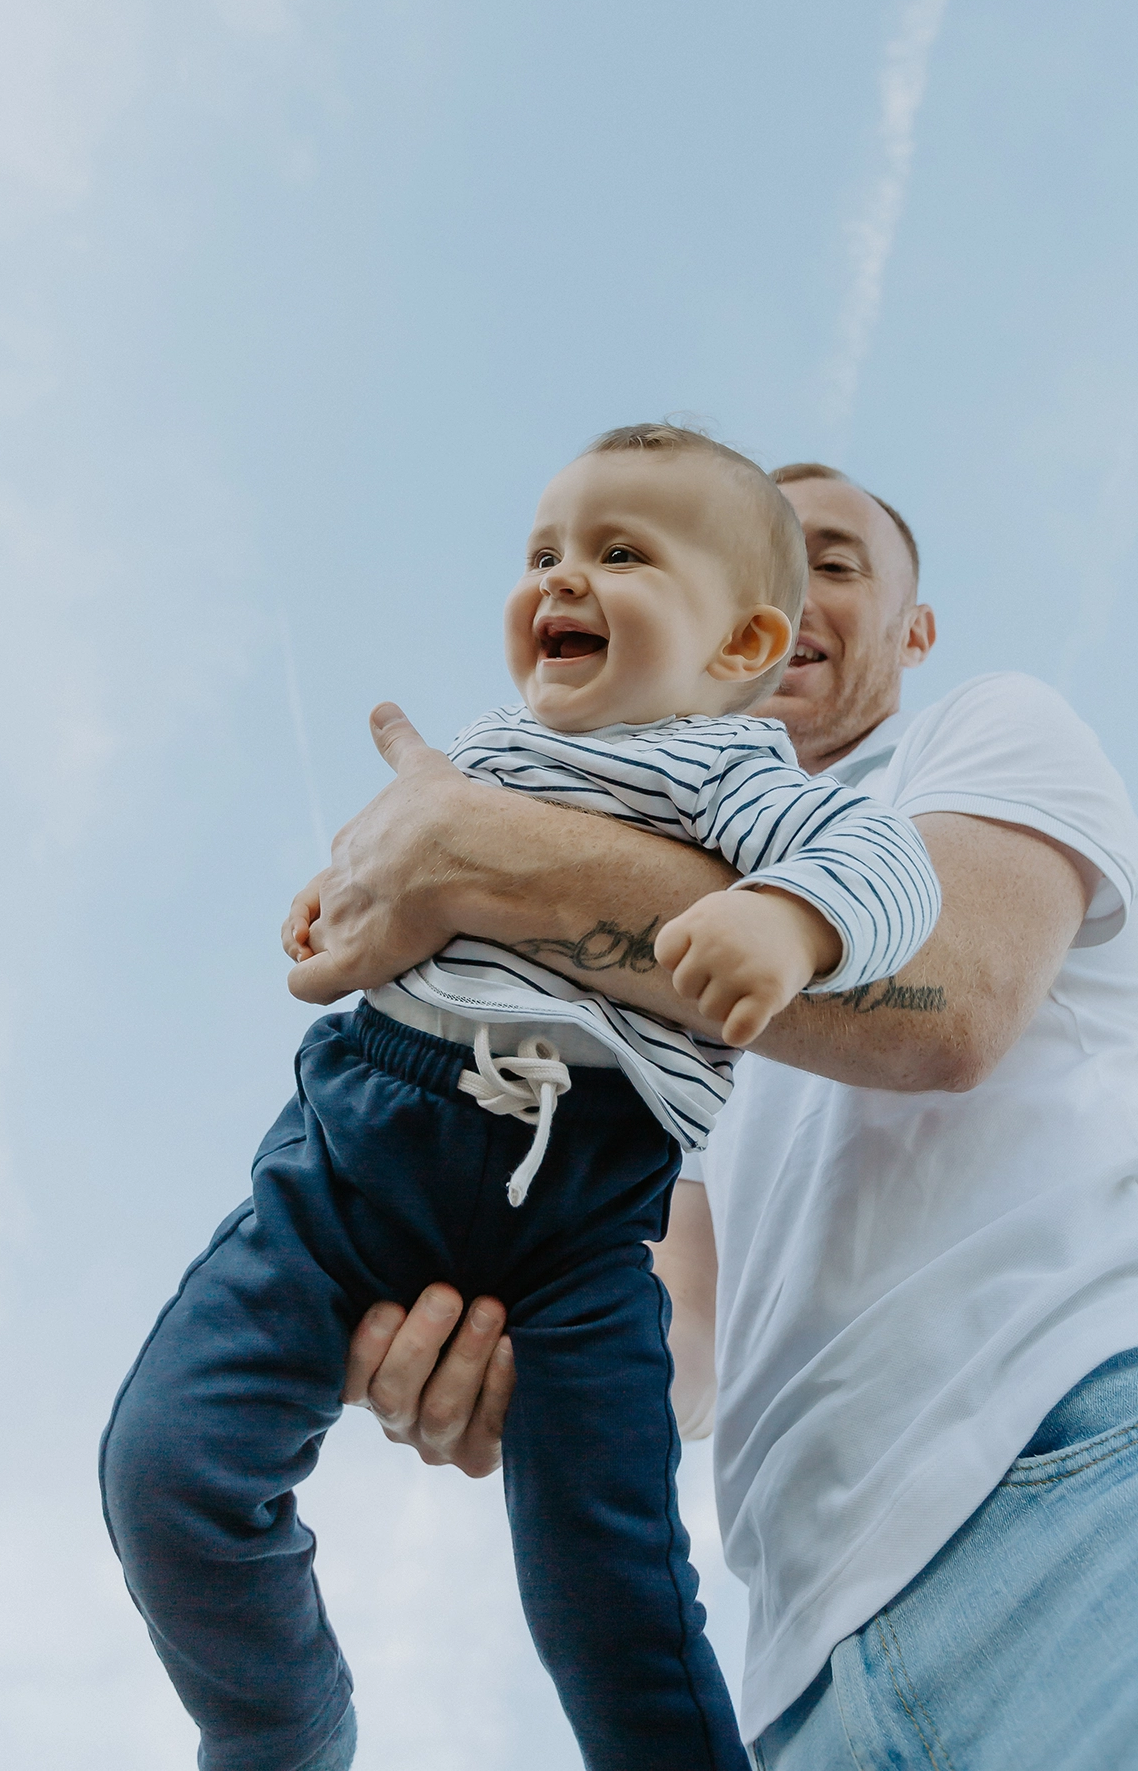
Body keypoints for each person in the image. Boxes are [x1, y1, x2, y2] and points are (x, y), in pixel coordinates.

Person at [290, 461, 1138, 1769]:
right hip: (809, 1668)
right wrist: (512, 1367)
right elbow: (684, 1343)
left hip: (1124, 1475)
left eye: (832, 563)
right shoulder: (643, 1007)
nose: (791, 596)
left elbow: (948, 998)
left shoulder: (977, 733)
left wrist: (488, 860)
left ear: (914, 627)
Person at [100, 427, 942, 1771]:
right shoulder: (483, 755)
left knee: (610, 1586)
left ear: (739, 649)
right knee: (166, 1469)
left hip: (582, 1223)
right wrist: (335, 893)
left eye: (620, 553)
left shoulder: (736, 781)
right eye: (545, 550)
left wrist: (789, 922)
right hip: (355, 1156)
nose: (561, 577)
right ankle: (279, 1722)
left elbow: (888, 873)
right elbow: (373, 886)